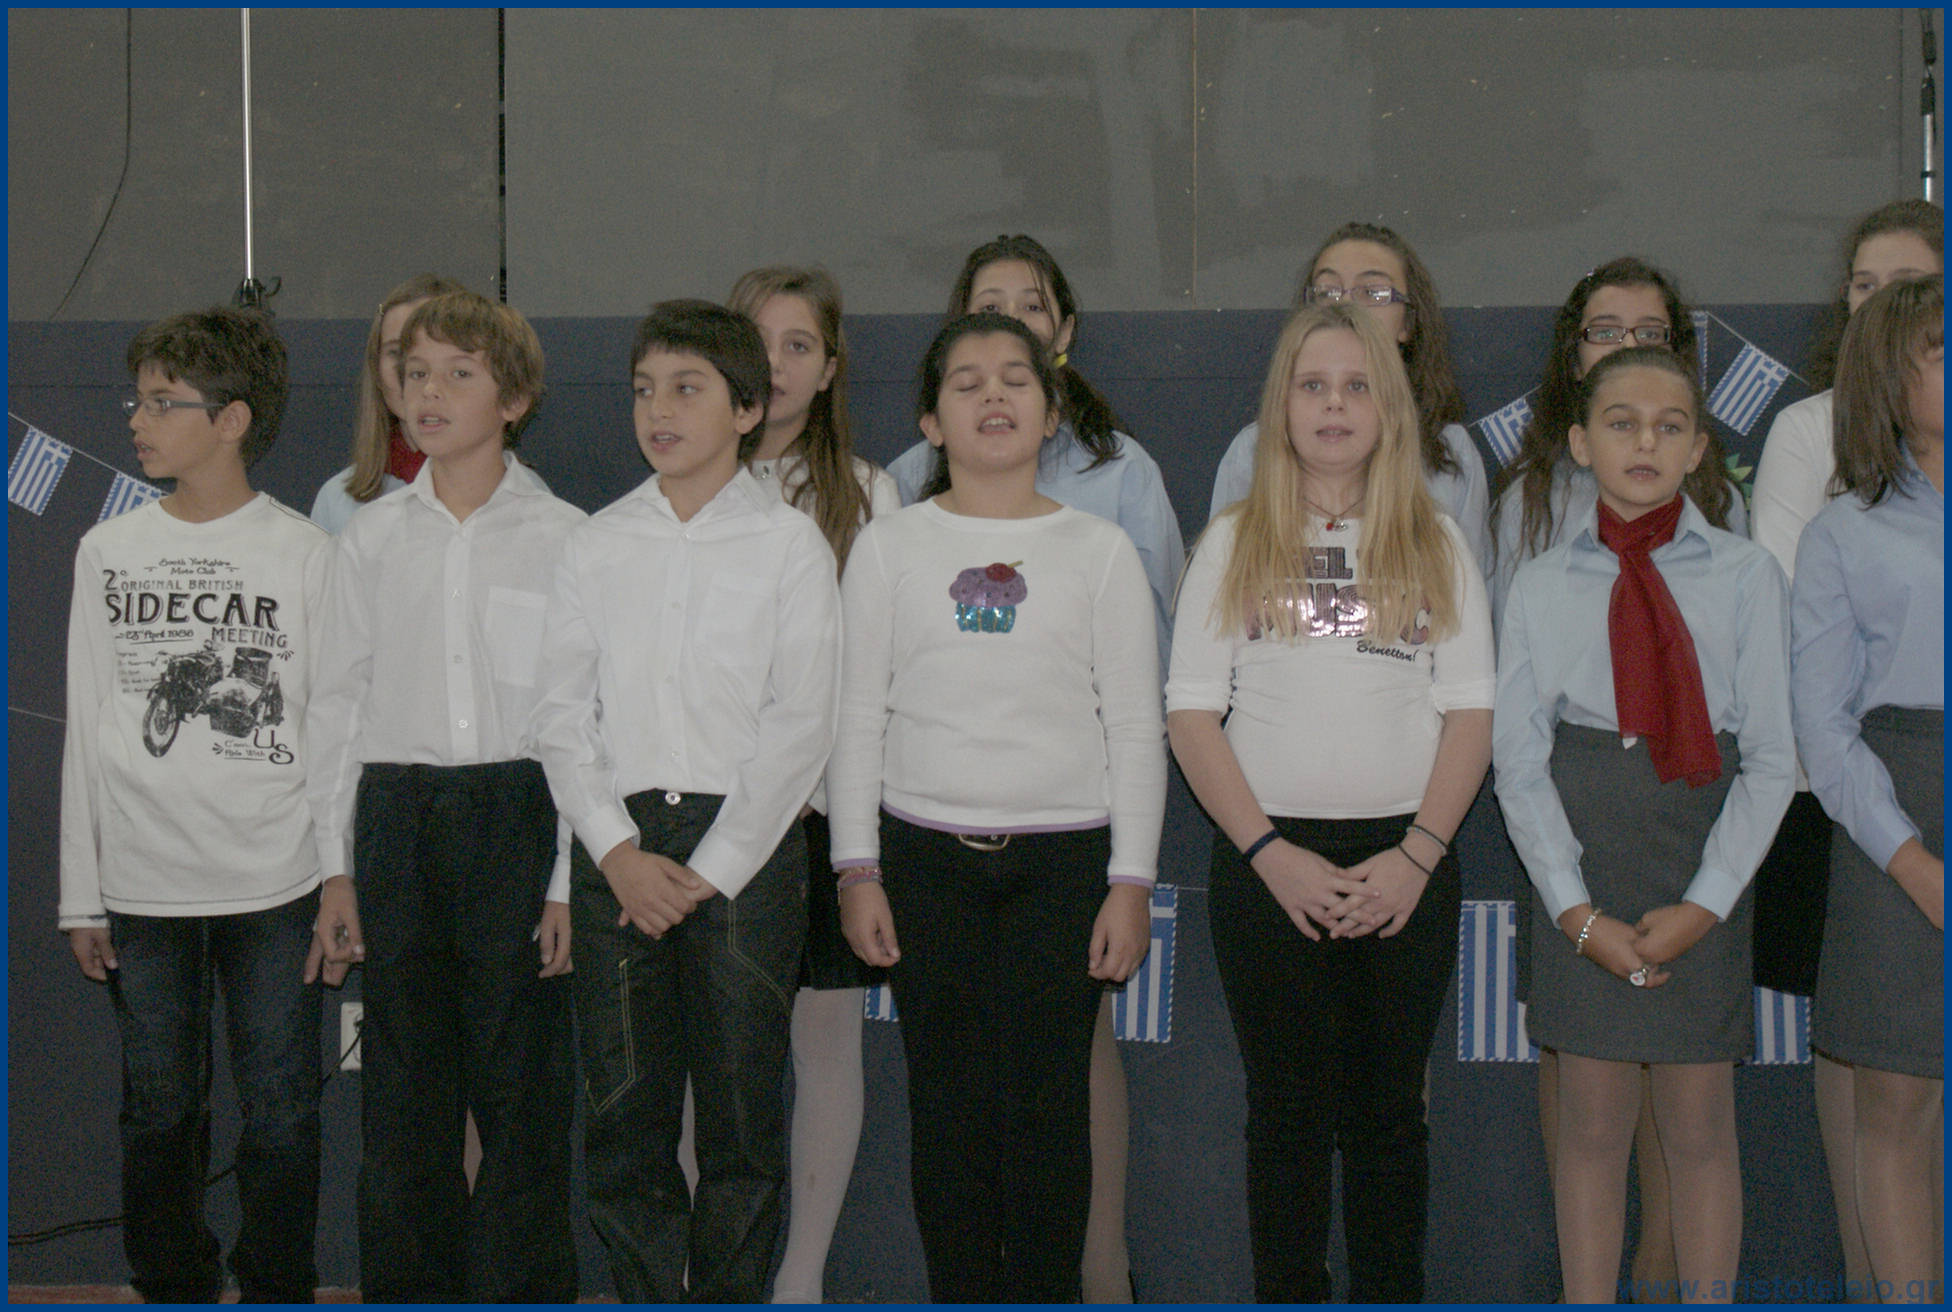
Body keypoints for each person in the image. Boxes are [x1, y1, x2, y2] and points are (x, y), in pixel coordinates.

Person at [829, 312, 1165, 1303]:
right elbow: (856, 717)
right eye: (966, 381)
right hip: (922, 862)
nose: (992, 396)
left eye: (1016, 379)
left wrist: (1130, 884)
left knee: (1049, 1118)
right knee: (947, 1116)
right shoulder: (888, 547)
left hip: (1065, 868)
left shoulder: (1100, 551)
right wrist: (856, 869)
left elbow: (1134, 729)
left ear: (1051, 413)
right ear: (931, 422)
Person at [1168, 302, 1492, 1302]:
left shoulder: (1436, 542)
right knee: (1286, 1118)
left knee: (1389, 1117)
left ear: (1389, 409)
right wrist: (1271, 855)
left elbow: (1470, 716)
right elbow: (1190, 715)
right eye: (1312, 386)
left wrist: (1416, 856)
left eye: (1356, 386)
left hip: (1407, 863)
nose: (1334, 405)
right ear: (1281, 408)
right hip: (1268, 865)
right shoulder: (1232, 542)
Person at [530, 298, 841, 1302]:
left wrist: (712, 869)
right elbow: (560, 716)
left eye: (686, 389)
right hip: (619, 848)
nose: (657, 410)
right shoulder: (596, 543)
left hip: (744, 853)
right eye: (642, 390)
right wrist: (616, 851)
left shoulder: (789, 546)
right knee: (624, 1118)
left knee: (744, 1124)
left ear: (748, 409)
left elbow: (802, 723)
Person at [1495, 346, 1794, 1304]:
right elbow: (1518, 763)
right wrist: (1575, 912)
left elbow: (1773, 760)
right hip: (1584, 864)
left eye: (1670, 427)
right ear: (1581, 442)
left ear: (1699, 448)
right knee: (1589, 1123)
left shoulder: (1746, 575)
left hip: (1703, 859)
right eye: (1621, 423)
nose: (1645, 443)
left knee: (1700, 1124)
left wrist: (1707, 903)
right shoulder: (1541, 583)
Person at [304, 290, 581, 1301]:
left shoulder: (566, 536)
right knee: (404, 1101)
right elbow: (335, 711)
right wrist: (335, 870)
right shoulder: (371, 539)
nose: (429, 392)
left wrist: (566, 878)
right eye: (414, 372)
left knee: (523, 1098)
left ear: (513, 399)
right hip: (398, 819)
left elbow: (583, 723)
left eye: (459, 374)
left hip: (520, 814)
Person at [60, 305, 328, 1302]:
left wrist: (338, 879)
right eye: (138, 401)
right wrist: (81, 896)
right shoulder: (107, 550)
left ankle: (276, 1283)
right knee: (159, 1112)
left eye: (163, 402)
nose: (138, 420)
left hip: (277, 882)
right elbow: (89, 726)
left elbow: (333, 731)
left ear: (231, 419)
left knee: (283, 1110)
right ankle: (171, 1282)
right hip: (142, 884)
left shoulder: (303, 553)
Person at [1751, 201, 1941, 1296]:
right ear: (1885, 378)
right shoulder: (1844, 529)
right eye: (1936, 353)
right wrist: (1911, 861)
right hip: (1888, 822)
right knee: (1893, 1103)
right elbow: (1822, 725)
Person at [727, 264, 900, 1305]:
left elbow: (873, 677)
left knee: (825, 1043)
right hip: (708, 815)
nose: (777, 366)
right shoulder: (686, 483)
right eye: (759, 343)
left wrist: (840, 822)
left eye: (799, 346)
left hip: (821, 818)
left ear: (831, 368)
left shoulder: (870, 494)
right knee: (709, 1054)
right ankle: (711, 1268)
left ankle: (800, 1278)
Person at [1206, 220, 1490, 576]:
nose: (1347, 306)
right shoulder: (1253, 450)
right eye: (1328, 292)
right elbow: (1222, 585)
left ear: (1408, 323)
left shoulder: (1450, 452)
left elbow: (1467, 591)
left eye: (1372, 292)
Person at [1488, 256, 1746, 626]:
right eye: (1605, 333)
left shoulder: (1717, 497)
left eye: (1651, 334)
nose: (1628, 347)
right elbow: (1513, 641)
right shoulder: (1530, 504)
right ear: (1574, 362)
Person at [309, 272, 469, 533]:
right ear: (377, 367)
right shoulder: (337, 500)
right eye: (396, 352)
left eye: (429, 352)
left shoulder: (516, 495)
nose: (411, 370)